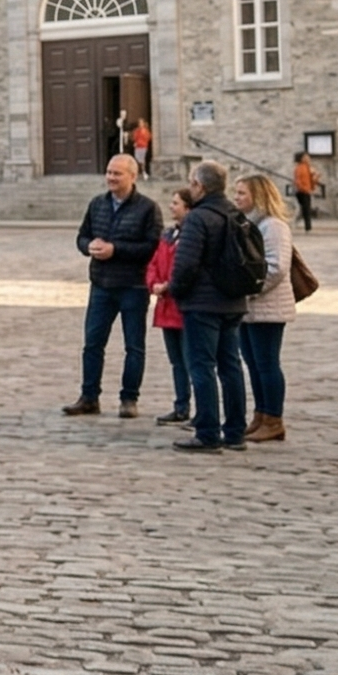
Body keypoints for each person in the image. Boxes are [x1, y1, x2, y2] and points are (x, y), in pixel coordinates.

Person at [64, 154, 162, 418]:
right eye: (108, 172)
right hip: (101, 285)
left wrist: (115, 250)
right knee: (93, 344)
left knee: (134, 346)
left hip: (133, 286)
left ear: (133, 175)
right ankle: (89, 397)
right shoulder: (97, 204)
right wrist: (89, 247)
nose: (111, 178)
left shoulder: (148, 208)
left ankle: (129, 398)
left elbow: (152, 247)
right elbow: (82, 236)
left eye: (117, 173)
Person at [167, 161, 249, 453]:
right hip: (233, 299)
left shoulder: (198, 218)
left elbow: (185, 263)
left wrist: (174, 290)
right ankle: (236, 432)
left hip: (203, 302)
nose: (190, 187)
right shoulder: (236, 214)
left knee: (201, 366)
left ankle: (208, 432)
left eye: (192, 183)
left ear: (200, 186)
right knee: (231, 366)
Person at [234, 174, 294, 444]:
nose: (236, 198)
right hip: (249, 308)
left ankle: (274, 419)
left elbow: (277, 267)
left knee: (267, 363)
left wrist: (249, 287)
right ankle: (260, 414)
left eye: (242, 193)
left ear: (257, 196)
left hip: (267, 306)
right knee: (253, 364)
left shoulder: (273, 226)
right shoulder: (250, 224)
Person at [147, 188, 192, 427]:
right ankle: (181, 404)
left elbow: (187, 267)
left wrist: (170, 286)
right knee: (176, 361)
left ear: (188, 207)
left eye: (176, 203)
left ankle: (202, 408)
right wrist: (153, 284)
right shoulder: (168, 234)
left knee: (191, 360)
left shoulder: (193, 235)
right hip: (166, 307)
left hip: (183, 306)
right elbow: (154, 262)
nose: (171, 206)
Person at [293, 152, 320, 233]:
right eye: (306, 157)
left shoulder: (308, 167)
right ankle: (308, 227)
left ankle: (304, 225)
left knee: (305, 208)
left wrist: (315, 175)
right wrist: (304, 188)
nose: (308, 158)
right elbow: (298, 180)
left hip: (306, 190)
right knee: (306, 208)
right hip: (302, 191)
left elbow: (312, 180)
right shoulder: (299, 168)